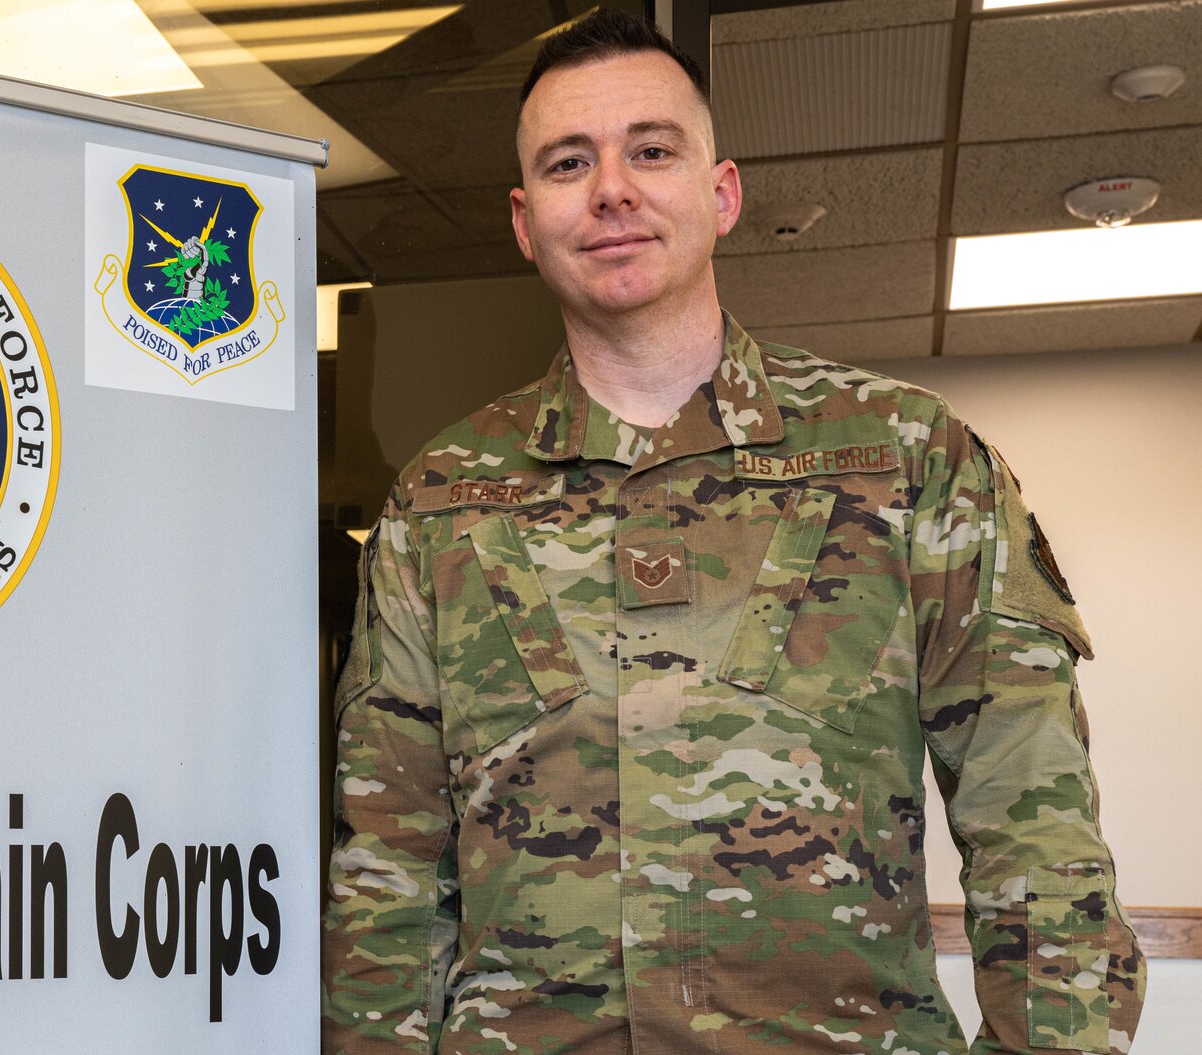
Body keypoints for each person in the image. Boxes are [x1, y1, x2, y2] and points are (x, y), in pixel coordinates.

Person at [322, 9, 1146, 1054]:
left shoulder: (906, 458)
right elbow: (385, 873)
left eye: (650, 150)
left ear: (719, 195)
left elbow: (1032, 821)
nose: (612, 187)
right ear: (526, 224)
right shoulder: (440, 502)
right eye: (570, 162)